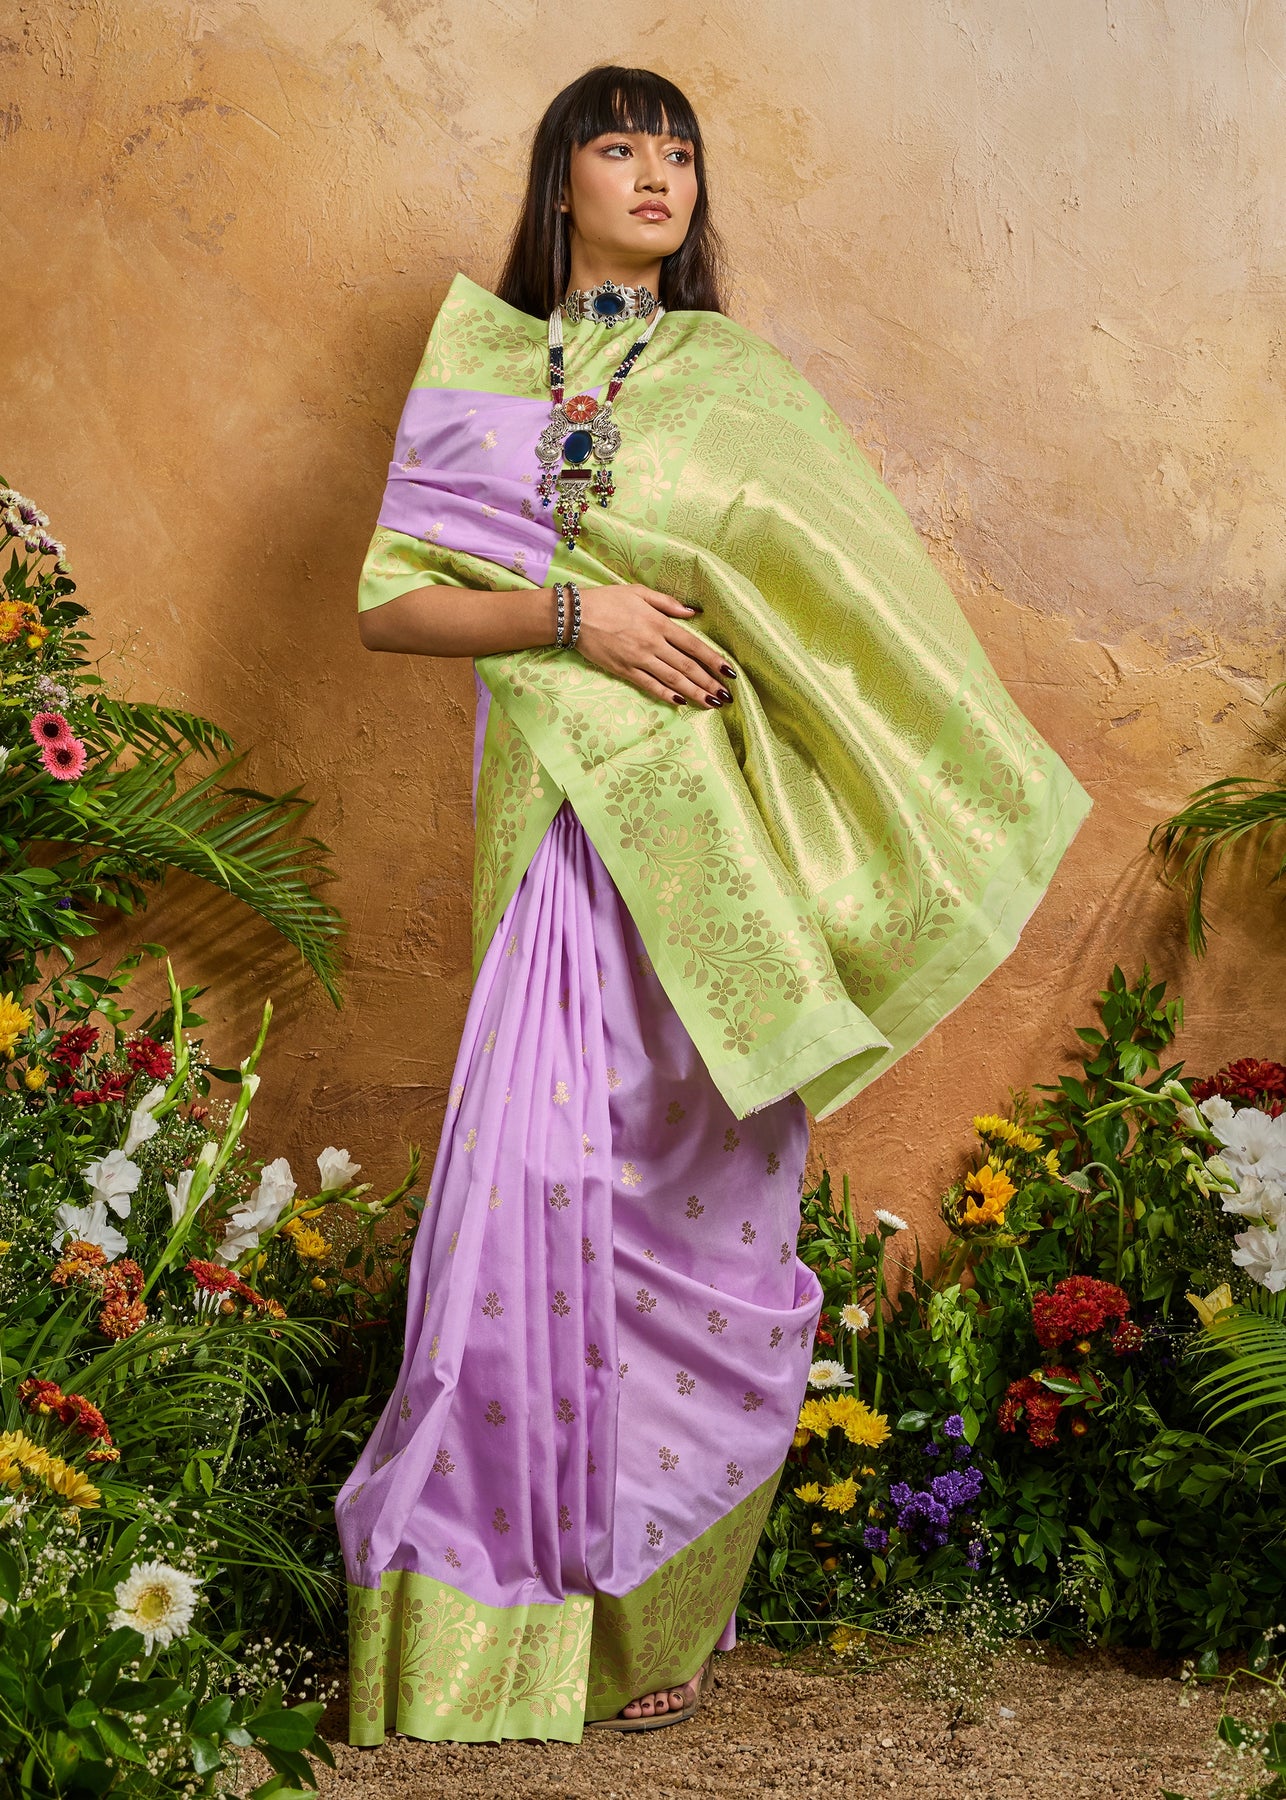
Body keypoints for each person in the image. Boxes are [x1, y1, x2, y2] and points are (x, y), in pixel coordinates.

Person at [335, 63, 1091, 1746]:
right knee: (533, 1192)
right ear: (560, 181)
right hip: (561, 829)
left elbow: (849, 623)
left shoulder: (739, 380)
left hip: (720, 854)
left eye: (676, 151)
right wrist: (574, 618)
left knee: (700, 1197)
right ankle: (501, 1611)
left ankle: (662, 1613)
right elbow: (395, 607)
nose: (654, 174)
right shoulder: (488, 368)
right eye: (619, 146)